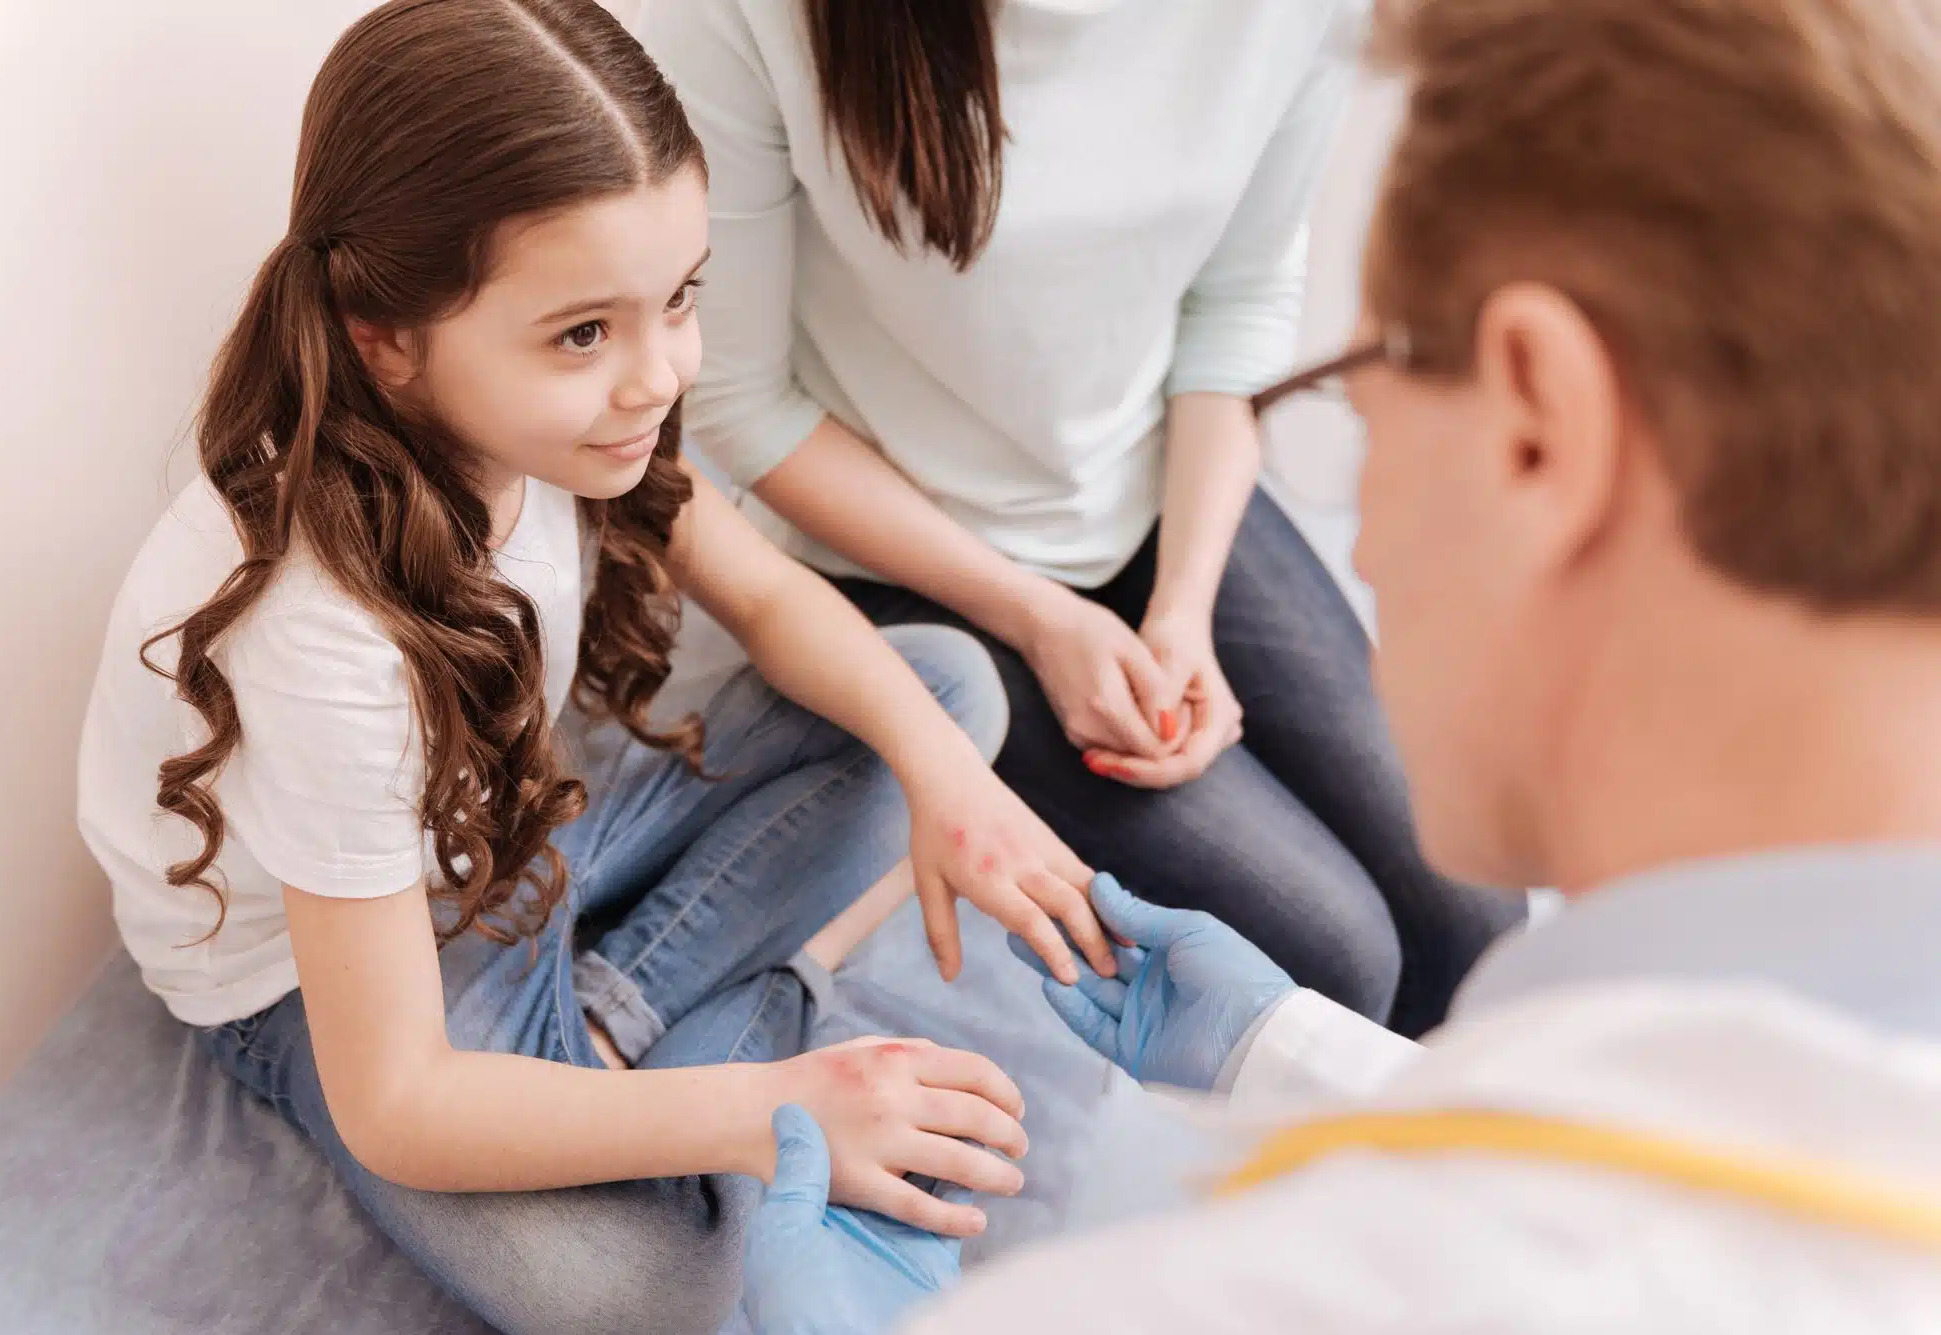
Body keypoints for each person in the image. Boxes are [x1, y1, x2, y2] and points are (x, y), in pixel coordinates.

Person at [738, 0, 1941, 1327]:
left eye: (1354, 393)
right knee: (1358, 936)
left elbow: (1238, 304)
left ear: (1541, 424)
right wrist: (1278, 1044)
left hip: (1147, 503)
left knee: (1443, 914)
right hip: (919, 553)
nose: (1356, 528)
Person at [73, 4, 1125, 1332]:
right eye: (584, 334)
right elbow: (396, 1102)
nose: (660, 375)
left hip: (500, 844)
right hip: (322, 974)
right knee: (649, 1287)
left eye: (680, 298)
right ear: (383, 335)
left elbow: (773, 595)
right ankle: (723, 1015)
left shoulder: (573, 429)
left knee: (944, 693)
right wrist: (776, 1099)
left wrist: (945, 784)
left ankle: (615, 1009)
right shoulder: (320, 629)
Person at [639, 0, 1519, 1035]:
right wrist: (1036, 619)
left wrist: (1184, 607)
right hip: (892, 546)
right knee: (1331, 957)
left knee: (1474, 906)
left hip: (1148, 482)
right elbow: (744, 404)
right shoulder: (742, 19)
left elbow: (1236, 303)